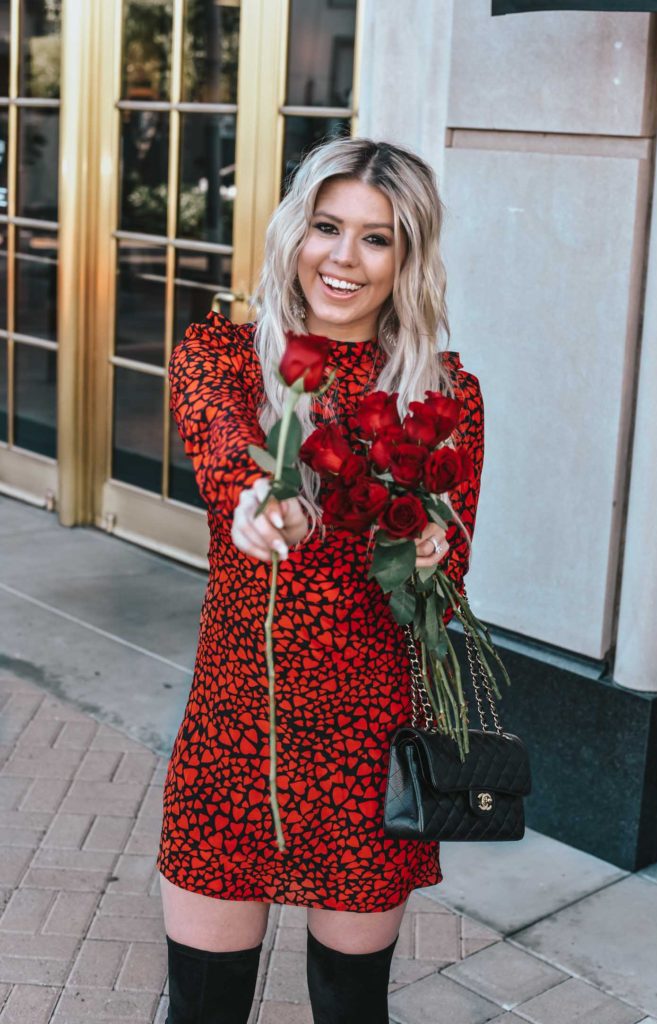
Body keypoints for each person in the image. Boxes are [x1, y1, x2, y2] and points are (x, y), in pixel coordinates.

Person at [156, 136, 485, 1024]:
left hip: (366, 748)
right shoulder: (220, 356)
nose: (344, 258)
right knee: (203, 1010)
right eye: (328, 227)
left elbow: (444, 585)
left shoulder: (444, 394)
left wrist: (430, 564)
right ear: (295, 231)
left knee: (351, 1010)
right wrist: (260, 504)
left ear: (406, 258)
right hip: (237, 736)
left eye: (377, 239)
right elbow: (228, 455)